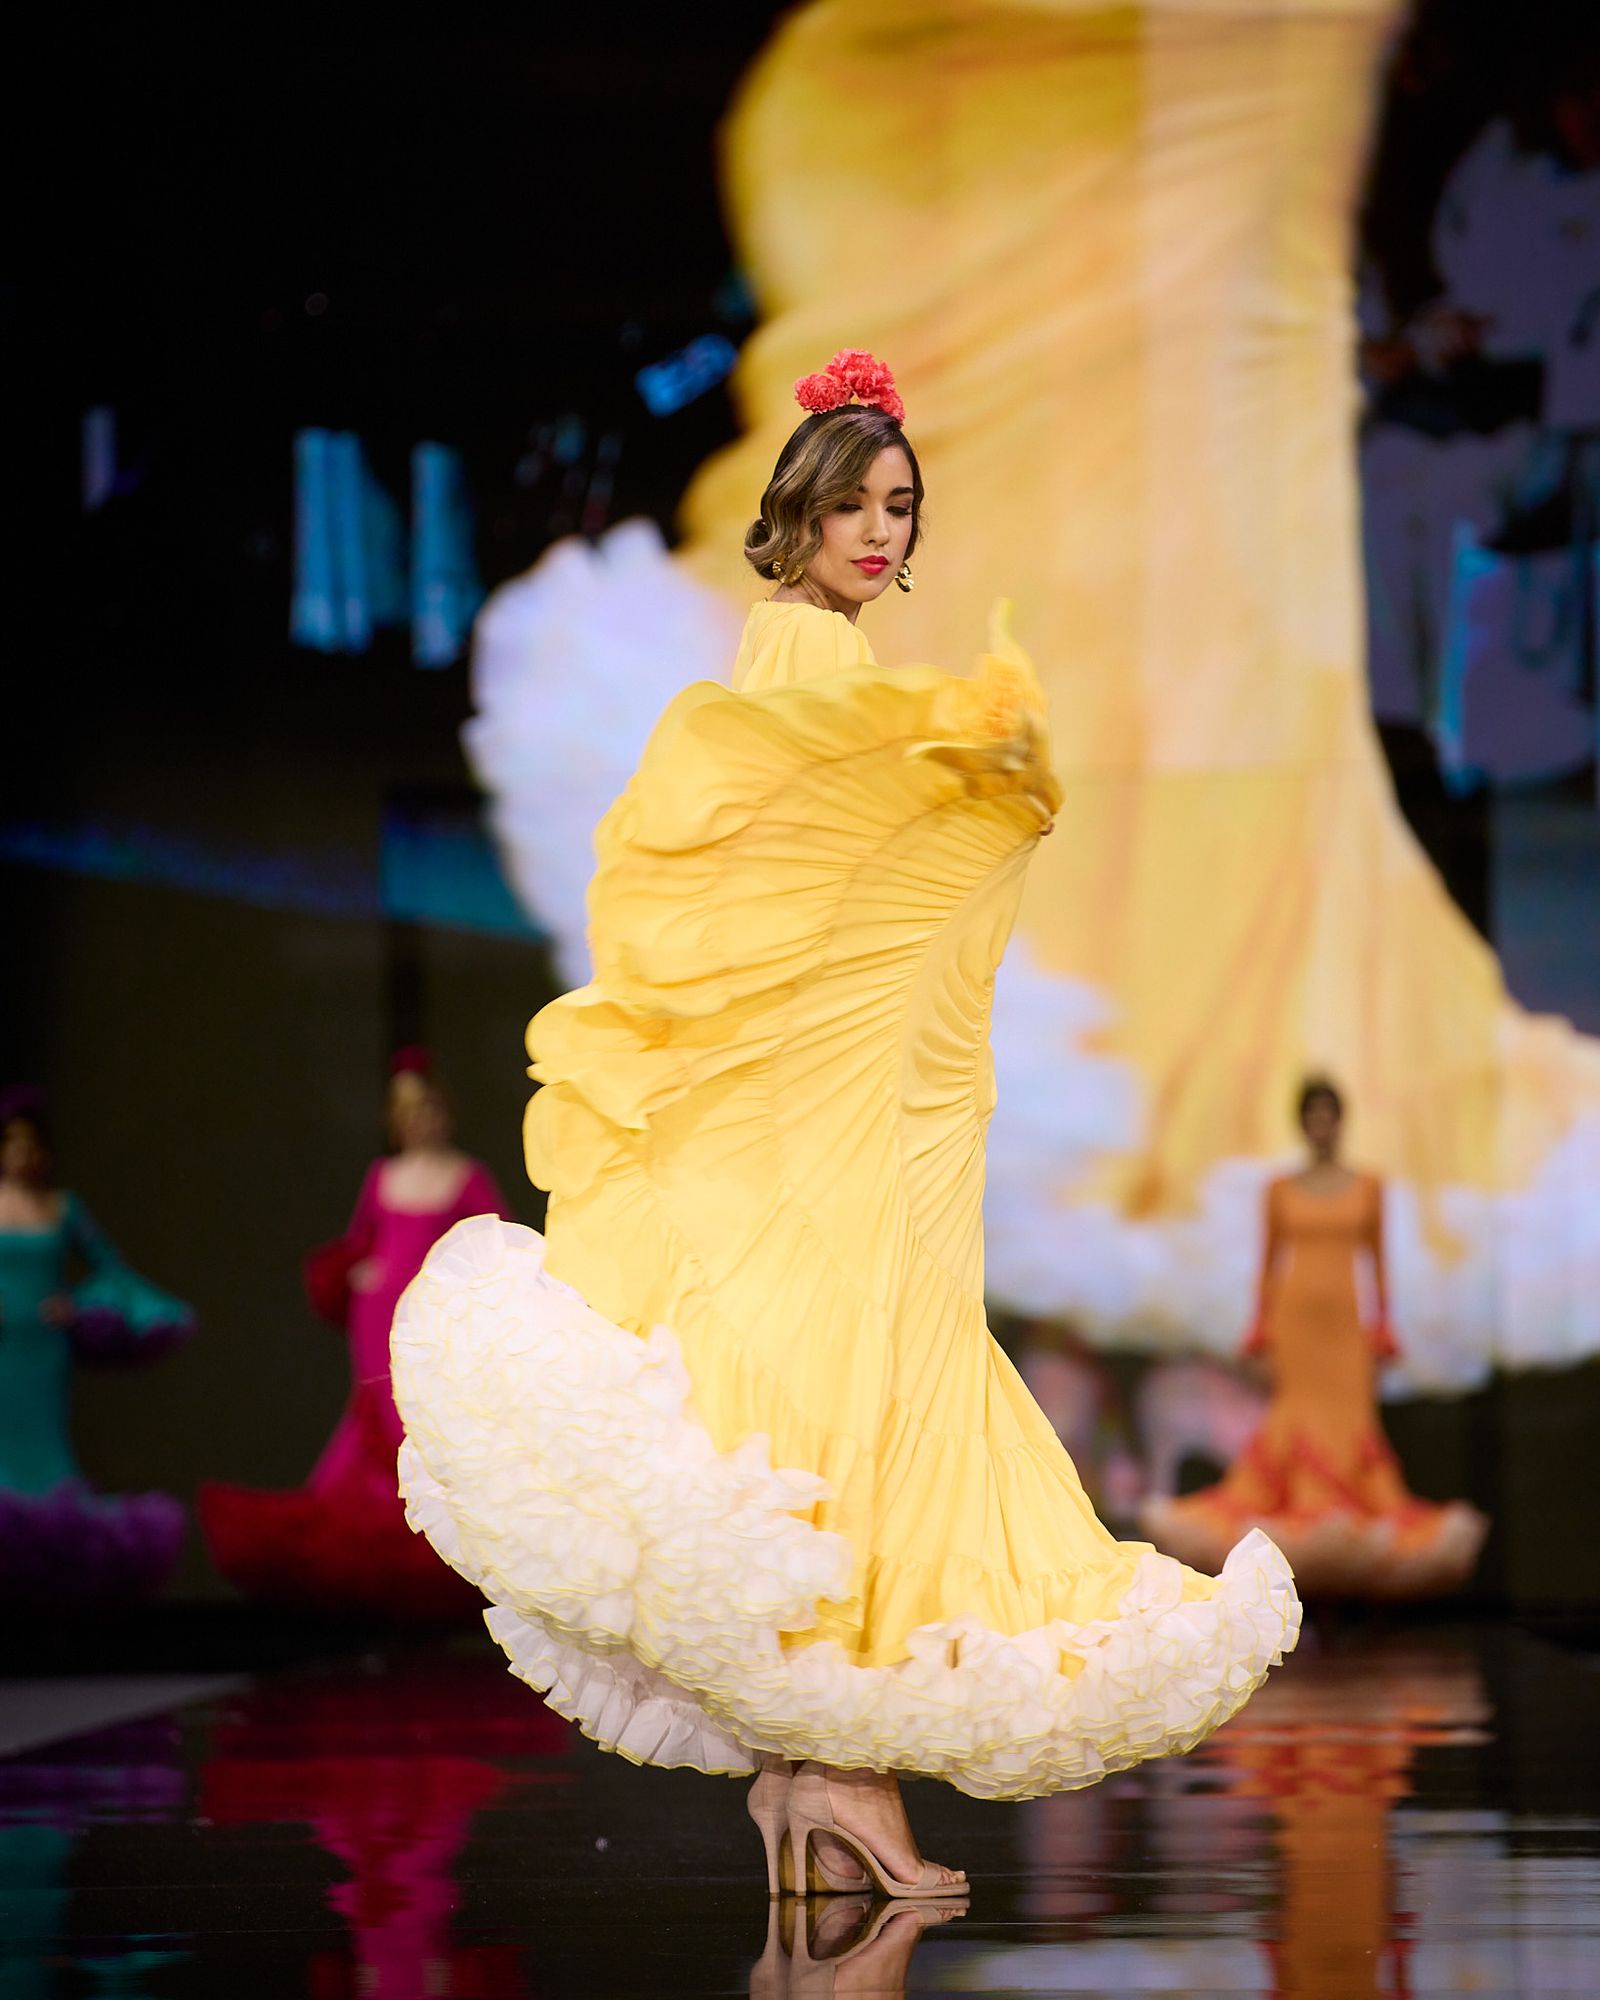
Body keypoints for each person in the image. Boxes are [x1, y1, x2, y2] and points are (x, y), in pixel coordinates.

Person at [391, 353, 1299, 1896]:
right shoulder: (806, 675)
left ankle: (816, 1777)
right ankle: (835, 1772)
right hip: (831, 1111)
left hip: (879, 1101)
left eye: (900, 506)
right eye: (854, 504)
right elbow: (787, 882)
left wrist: (976, 798)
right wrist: (984, 787)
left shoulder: (820, 680)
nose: (879, 530)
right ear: (795, 518)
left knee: (856, 1391)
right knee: (852, 1393)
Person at [1141, 1077, 1489, 1596]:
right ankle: (1291, 1540)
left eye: (1330, 1114)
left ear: (1341, 1121)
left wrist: (1385, 1332)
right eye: (1313, 1115)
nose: (1322, 1125)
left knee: (1350, 1422)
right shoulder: (1279, 1189)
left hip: (1346, 1326)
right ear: (1303, 1123)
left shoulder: (1369, 1187)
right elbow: (1267, 1267)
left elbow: (1379, 1265)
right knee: (1294, 1417)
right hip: (1295, 1321)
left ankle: (1347, 1544)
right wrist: (1259, 1334)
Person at [200, 1050, 507, 1616]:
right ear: (396, 1118)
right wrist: (359, 1271)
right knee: (375, 1410)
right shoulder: (381, 1176)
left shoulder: (466, 1177)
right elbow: (360, 1241)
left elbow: (497, 1248)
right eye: (409, 1110)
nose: (420, 1119)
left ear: (446, 1110)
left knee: (420, 1415)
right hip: (377, 1317)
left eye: (429, 1106)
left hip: (431, 1320)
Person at [0, 1084, 194, 1604]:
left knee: (45, 1449)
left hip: (41, 1350)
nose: (22, 1154)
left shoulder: (61, 1208)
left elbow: (113, 1269)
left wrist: (79, 1304)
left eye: (30, 1144)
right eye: (12, 1143)